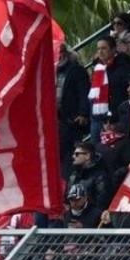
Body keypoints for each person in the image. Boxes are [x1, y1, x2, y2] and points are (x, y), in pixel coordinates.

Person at [87, 35, 130, 144]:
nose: (100, 52)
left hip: (115, 118)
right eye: (98, 49)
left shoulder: (123, 67)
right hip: (97, 119)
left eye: (104, 48)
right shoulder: (98, 68)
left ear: (113, 49)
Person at [56, 44, 91, 175]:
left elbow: (84, 93)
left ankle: (68, 182)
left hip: (71, 119)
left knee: (70, 153)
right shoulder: (52, 71)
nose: (59, 56)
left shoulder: (77, 70)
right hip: (56, 120)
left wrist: (83, 113)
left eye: (61, 52)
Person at [66, 141, 113, 211]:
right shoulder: (73, 175)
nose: (73, 156)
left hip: (91, 218)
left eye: (77, 154)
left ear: (88, 156)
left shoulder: (100, 176)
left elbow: (102, 203)